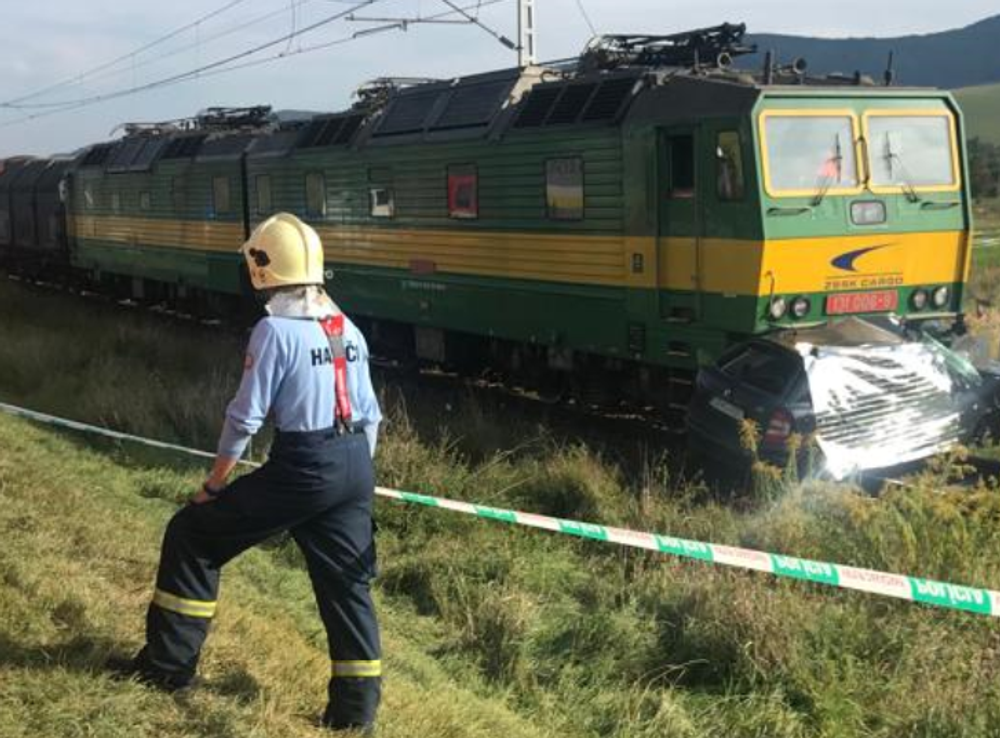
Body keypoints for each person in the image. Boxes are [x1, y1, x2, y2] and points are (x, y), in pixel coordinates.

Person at [114, 213, 383, 732]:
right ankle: (354, 716)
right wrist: (355, 483)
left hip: (305, 465)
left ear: (263, 268)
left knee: (192, 535)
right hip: (355, 465)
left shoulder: (273, 330)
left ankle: (167, 668)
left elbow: (245, 418)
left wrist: (214, 484)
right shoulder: (348, 328)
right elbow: (370, 416)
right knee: (347, 587)